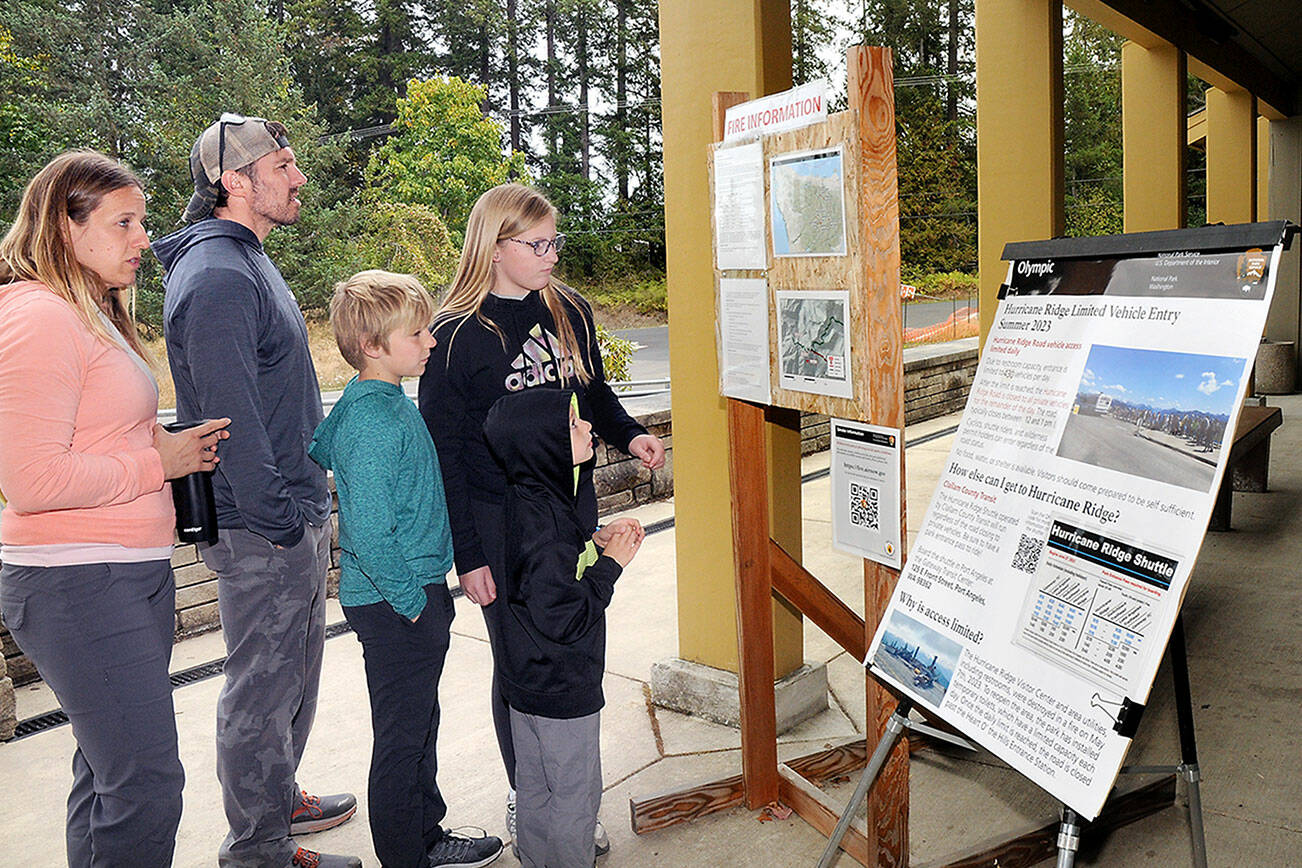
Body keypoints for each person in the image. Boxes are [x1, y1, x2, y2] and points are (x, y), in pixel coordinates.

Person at [417, 183, 665, 856]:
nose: (553, 254)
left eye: (556, 241)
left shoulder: (569, 309)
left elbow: (595, 393)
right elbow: (444, 453)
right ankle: (534, 797)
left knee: (570, 650)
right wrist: (467, 555)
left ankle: (564, 795)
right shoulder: (456, 335)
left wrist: (630, 434)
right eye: (539, 244)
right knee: (522, 665)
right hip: (497, 531)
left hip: (565, 513)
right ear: (495, 247)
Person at [0, 150, 229, 867]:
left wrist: (159, 444)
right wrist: (153, 463)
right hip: (77, 580)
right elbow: (33, 479)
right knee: (146, 783)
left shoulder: (84, 312)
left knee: (105, 776)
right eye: (123, 222)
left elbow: (93, 430)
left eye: (143, 220)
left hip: (117, 574)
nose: (142, 238)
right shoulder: (37, 314)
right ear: (66, 229)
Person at [153, 113, 358, 868]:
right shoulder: (215, 277)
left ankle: (279, 798)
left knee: (292, 678)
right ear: (233, 183)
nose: (299, 177)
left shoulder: (243, 259)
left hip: (288, 514)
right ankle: (259, 849)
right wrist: (280, 522)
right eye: (283, 164)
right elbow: (225, 420)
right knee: (261, 692)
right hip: (261, 528)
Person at [308, 270, 504, 868]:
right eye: (417, 334)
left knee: (419, 725)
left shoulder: (384, 402)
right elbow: (366, 533)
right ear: (373, 346)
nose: (431, 342)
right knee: (400, 740)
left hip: (411, 592)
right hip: (398, 601)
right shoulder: (373, 420)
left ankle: (427, 835)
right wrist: (413, 601)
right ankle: (405, 854)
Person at [482, 389, 643, 868]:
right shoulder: (548, 525)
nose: (589, 427)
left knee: (533, 786)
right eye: (573, 425)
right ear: (543, 446)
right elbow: (564, 616)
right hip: (562, 685)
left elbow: (541, 571)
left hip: (524, 681)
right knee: (575, 795)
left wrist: (591, 539)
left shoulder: (526, 499)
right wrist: (610, 565)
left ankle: (534, 859)